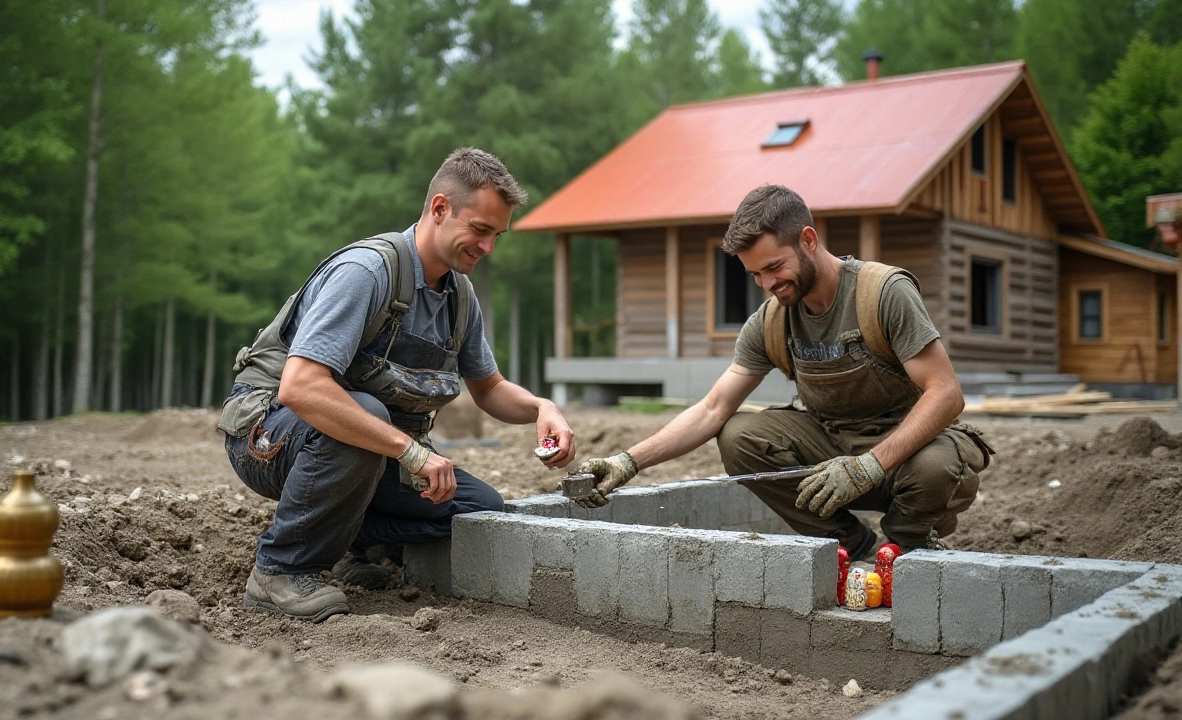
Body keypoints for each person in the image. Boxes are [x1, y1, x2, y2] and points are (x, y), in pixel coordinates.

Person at [218, 148, 576, 622]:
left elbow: (488, 389)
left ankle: (350, 541)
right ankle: (280, 569)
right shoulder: (367, 273)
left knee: (476, 507)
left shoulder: (457, 296)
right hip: (266, 435)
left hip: (363, 446)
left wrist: (540, 408)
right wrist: (411, 452)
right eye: (481, 230)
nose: (489, 248)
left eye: (497, 236)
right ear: (440, 208)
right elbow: (300, 387)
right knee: (369, 414)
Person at [575, 184, 991, 560]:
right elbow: (711, 409)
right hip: (831, 449)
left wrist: (869, 465)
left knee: (938, 467)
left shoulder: (881, 293)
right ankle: (851, 547)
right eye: (755, 274)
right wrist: (628, 462)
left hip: (905, 454)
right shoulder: (772, 321)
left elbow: (946, 393)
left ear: (808, 240)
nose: (766, 283)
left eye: (774, 267)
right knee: (739, 436)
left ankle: (907, 548)